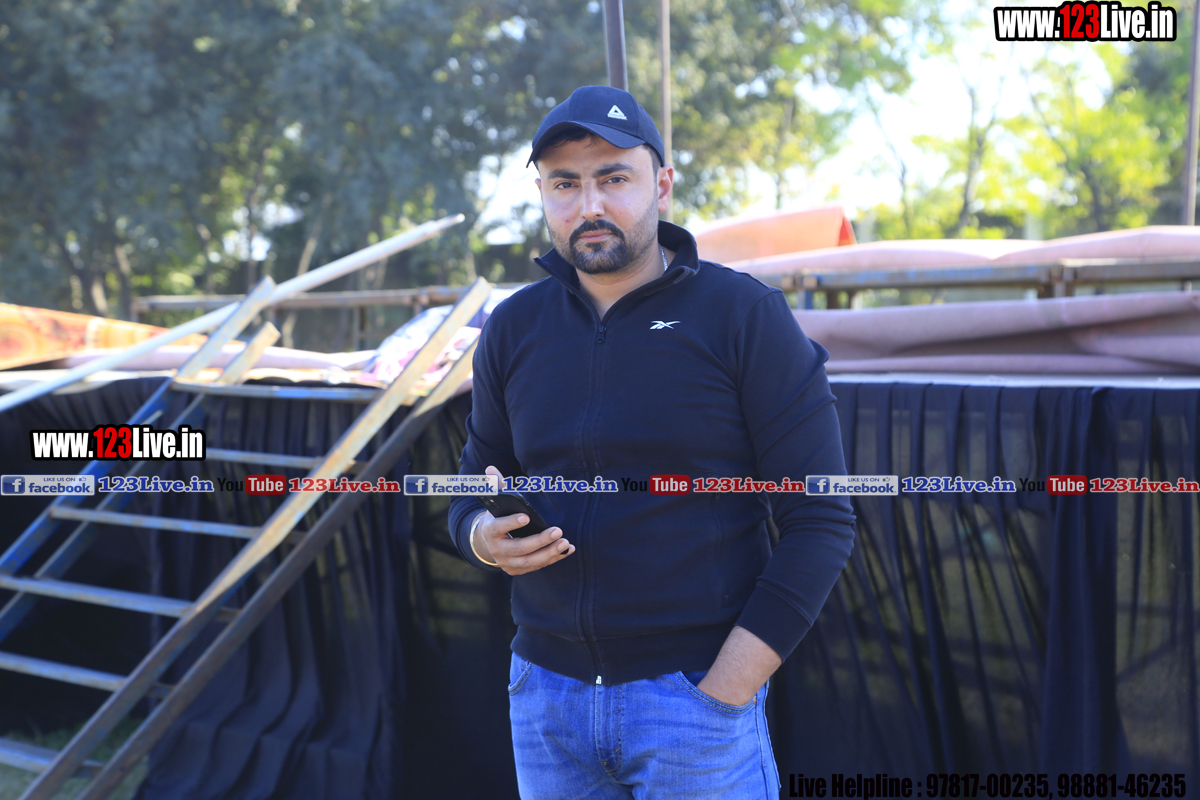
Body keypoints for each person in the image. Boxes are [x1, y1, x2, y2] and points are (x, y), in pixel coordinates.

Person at [448, 85, 855, 799]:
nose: (589, 205)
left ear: (662, 186)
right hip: (545, 700)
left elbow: (821, 518)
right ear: (542, 194)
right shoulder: (513, 326)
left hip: (692, 701)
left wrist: (724, 691)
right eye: (565, 184)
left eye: (614, 179)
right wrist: (482, 535)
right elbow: (469, 483)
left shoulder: (743, 315)